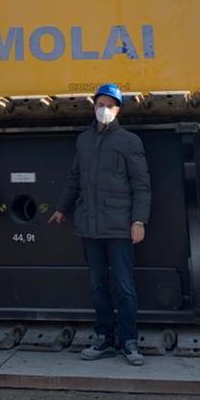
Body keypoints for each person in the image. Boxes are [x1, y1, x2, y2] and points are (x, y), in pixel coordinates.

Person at [49, 83, 151, 366]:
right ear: (94, 107)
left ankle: (129, 340)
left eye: (109, 105)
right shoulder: (84, 140)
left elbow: (141, 185)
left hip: (119, 227)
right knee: (98, 286)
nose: (104, 109)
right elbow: (74, 178)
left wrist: (138, 221)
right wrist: (62, 208)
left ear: (118, 110)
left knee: (124, 285)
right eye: (100, 104)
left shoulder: (129, 141)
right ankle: (104, 338)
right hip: (89, 226)